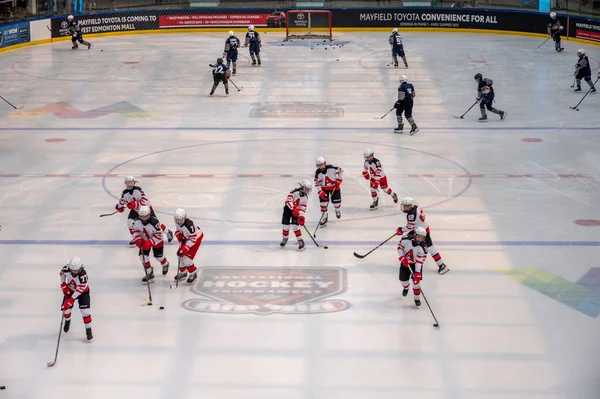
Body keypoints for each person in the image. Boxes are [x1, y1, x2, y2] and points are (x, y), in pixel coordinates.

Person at [115, 176, 173, 246]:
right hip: (136, 211)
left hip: (146, 210)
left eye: (131, 182)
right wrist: (119, 206)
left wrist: (136, 204)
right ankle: (136, 237)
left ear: (134, 182)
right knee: (130, 223)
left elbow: (146, 202)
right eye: (128, 182)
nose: (129, 184)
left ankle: (168, 232)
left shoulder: (138, 190)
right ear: (125, 183)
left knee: (155, 224)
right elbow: (123, 201)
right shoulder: (124, 193)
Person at [396, 197, 449, 275]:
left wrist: (401, 230)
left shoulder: (411, 214)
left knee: (429, 247)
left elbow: (409, 226)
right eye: (403, 205)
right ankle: (409, 259)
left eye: (406, 206)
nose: (404, 207)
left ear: (410, 206)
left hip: (421, 232)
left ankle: (442, 265)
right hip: (420, 229)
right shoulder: (415, 208)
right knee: (407, 241)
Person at [131, 206, 170, 283]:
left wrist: (150, 242)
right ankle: (149, 274)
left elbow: (159, 236)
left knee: (159, 257)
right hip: (144, 240)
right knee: (143, 257)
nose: (143, 218)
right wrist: (138, 239)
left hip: (156, 241)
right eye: (141, 216)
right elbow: (134, 230)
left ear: (148, 215)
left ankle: (165, 264)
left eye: (145, 216)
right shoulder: (137, 221)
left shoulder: (154, 222)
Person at [60, 257, 93, 340]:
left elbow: (79, 290)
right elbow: (62, 274)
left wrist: (71, 300)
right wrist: (64, 284)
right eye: (72, 270)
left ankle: (88, 329)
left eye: (76, 270)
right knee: (67, 310)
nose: (74, 272)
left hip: (82, 293)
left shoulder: (83, 276)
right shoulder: (66, 269)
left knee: (85, 312)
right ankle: (67, 321)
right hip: (70, 290)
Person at [397, 227, 428, 307]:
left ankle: (416, 298)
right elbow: (399, 248)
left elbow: (419, 261)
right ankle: (406, 287)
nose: (419, 239)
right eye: (418, 236)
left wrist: (417, 272)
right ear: (415, 235)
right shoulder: (405, 240)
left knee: (416, 282)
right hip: (405, 263)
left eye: (422, 237)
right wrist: (402, 257)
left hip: (415, 264)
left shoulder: (423, 248)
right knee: (403, 281)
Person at [173, 208, 204, 284]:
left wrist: (185, 248)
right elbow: (178, 230)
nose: (178, 221)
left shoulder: (189, 225)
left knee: (186, 258)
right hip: (187, 238)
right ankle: (183, 273)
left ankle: (193, 273)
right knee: (179, 255)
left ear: (184, 218)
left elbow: (193, 239)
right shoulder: (177, 222)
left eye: (180, 220)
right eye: (177, 219)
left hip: (196, 240)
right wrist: (179, 236)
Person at [280, 181, 312, 251]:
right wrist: (293, 208)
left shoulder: (305, 198)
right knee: (286, 226)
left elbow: (302, 208)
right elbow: (288, 201)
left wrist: (301, 216)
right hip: (287, 211)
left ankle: (300, 240)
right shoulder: (294, 192)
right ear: (303, 188)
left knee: (295, 227)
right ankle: (285, 238)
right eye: (307, 189)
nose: (308, 191)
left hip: (296, 212)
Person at [314, 157, 343, 227]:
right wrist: (320, 191)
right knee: (323, 204)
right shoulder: (317, 172)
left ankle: (337, 210)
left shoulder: (331, 168)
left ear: (325, 163)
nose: (321, 166)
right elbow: (317, 183)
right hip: (324, 189)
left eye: (322, 164)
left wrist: (339, 180)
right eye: (319, 165)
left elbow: (340, 170)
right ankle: (324, 218)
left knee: (337, 203)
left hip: (335, 187)